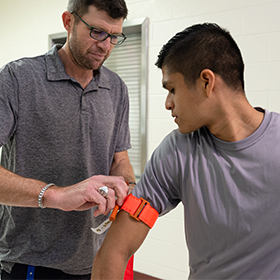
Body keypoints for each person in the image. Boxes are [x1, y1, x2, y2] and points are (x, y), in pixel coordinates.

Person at [91, 23, 280, 279]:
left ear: (206, 82)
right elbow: (114, 252)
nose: (168, 104)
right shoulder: (177, 151)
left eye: (172, 89)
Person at [0, 0, 136, 279]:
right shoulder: (18, 78)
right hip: (30, 261)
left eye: (114, 37)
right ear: (69, 21)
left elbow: (120, 159)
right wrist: (57, 195)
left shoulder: (117, 89)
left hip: (94, 260)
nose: (105, 45)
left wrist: (126, 185)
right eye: (97, 32)